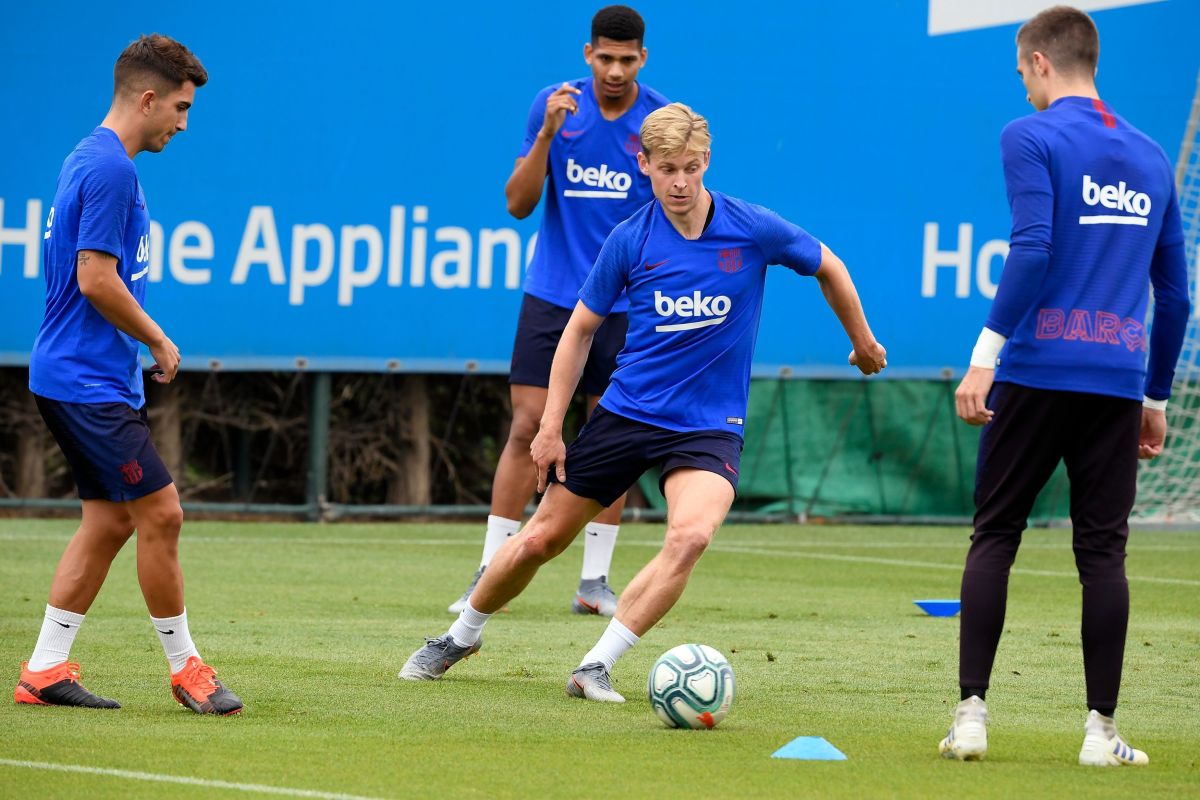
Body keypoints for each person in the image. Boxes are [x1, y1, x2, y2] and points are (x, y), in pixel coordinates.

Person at [401, 102, 887, 698]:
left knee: (691, 536)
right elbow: (578, 331)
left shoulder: (752, 228)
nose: (680, 182)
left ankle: (595, 665)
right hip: (627, 414)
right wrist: (551, 426)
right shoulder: (630, 239)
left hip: (708, 425)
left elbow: (828, 265)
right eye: (667, 169)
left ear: (706, 162)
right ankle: (461, 634)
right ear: (644, 166)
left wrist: (861, 341)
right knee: (538, 541)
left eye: (690, 167)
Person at [939, 5, 1189, 766]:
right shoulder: (1149, 155)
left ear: (1042, 62)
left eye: (1022, 72)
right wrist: (1155, 399)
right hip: (1115, 383)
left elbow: (1034, 249)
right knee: (1102, 556)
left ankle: (973, 718)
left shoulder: (1031, 136)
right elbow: (1175, 298)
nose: (1022, 88)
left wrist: (985, 354)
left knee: (996, 536)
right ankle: (1100, 733)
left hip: (1037, 372)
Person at [14, 34, 242, 715]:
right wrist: (159, 339)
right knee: (162, 513)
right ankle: (186, 668)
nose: (183, 122)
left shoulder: (89, 156)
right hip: (85, 381)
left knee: (110, 522)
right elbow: (95, 279)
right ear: (147, 98)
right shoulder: (111, 169)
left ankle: (45, 669)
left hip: (84, 378)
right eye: (179, 106)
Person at [446, 5, 670, 618]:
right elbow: (518, 204)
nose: (616, 70)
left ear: (642, 59)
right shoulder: (555, 106)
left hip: (627, 304)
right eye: (606, 58)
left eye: (627, 59)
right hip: (553, 295)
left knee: (611, 435)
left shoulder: (658, 120)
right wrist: (546, 134)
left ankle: (593, 581)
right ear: (587, 54)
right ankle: (490, 567)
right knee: (526, 426)